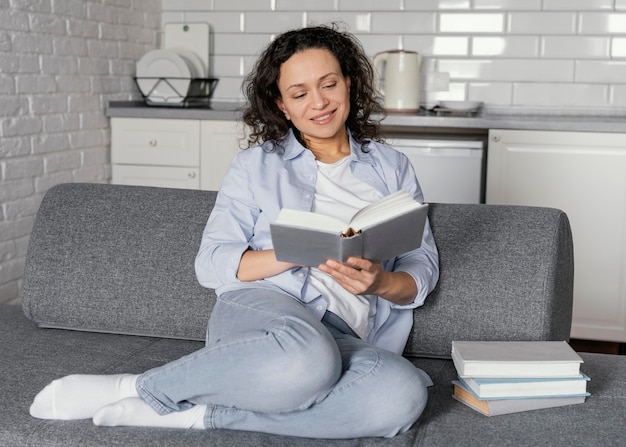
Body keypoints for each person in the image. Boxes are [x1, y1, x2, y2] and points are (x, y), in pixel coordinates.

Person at [29, 24, 439, 439]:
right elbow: (211, 264)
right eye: (300, 94)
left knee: (400, 395)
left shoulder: (393, 167)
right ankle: (139, 387)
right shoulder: (255, 167)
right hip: (267, 308)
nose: (319, 102)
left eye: (329, 84)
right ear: (282, 105)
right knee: (307, 358)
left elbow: (421, 265)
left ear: (349, 83)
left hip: (348, 333)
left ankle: (196, 414)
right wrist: (298, 249)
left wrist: (382, 281)